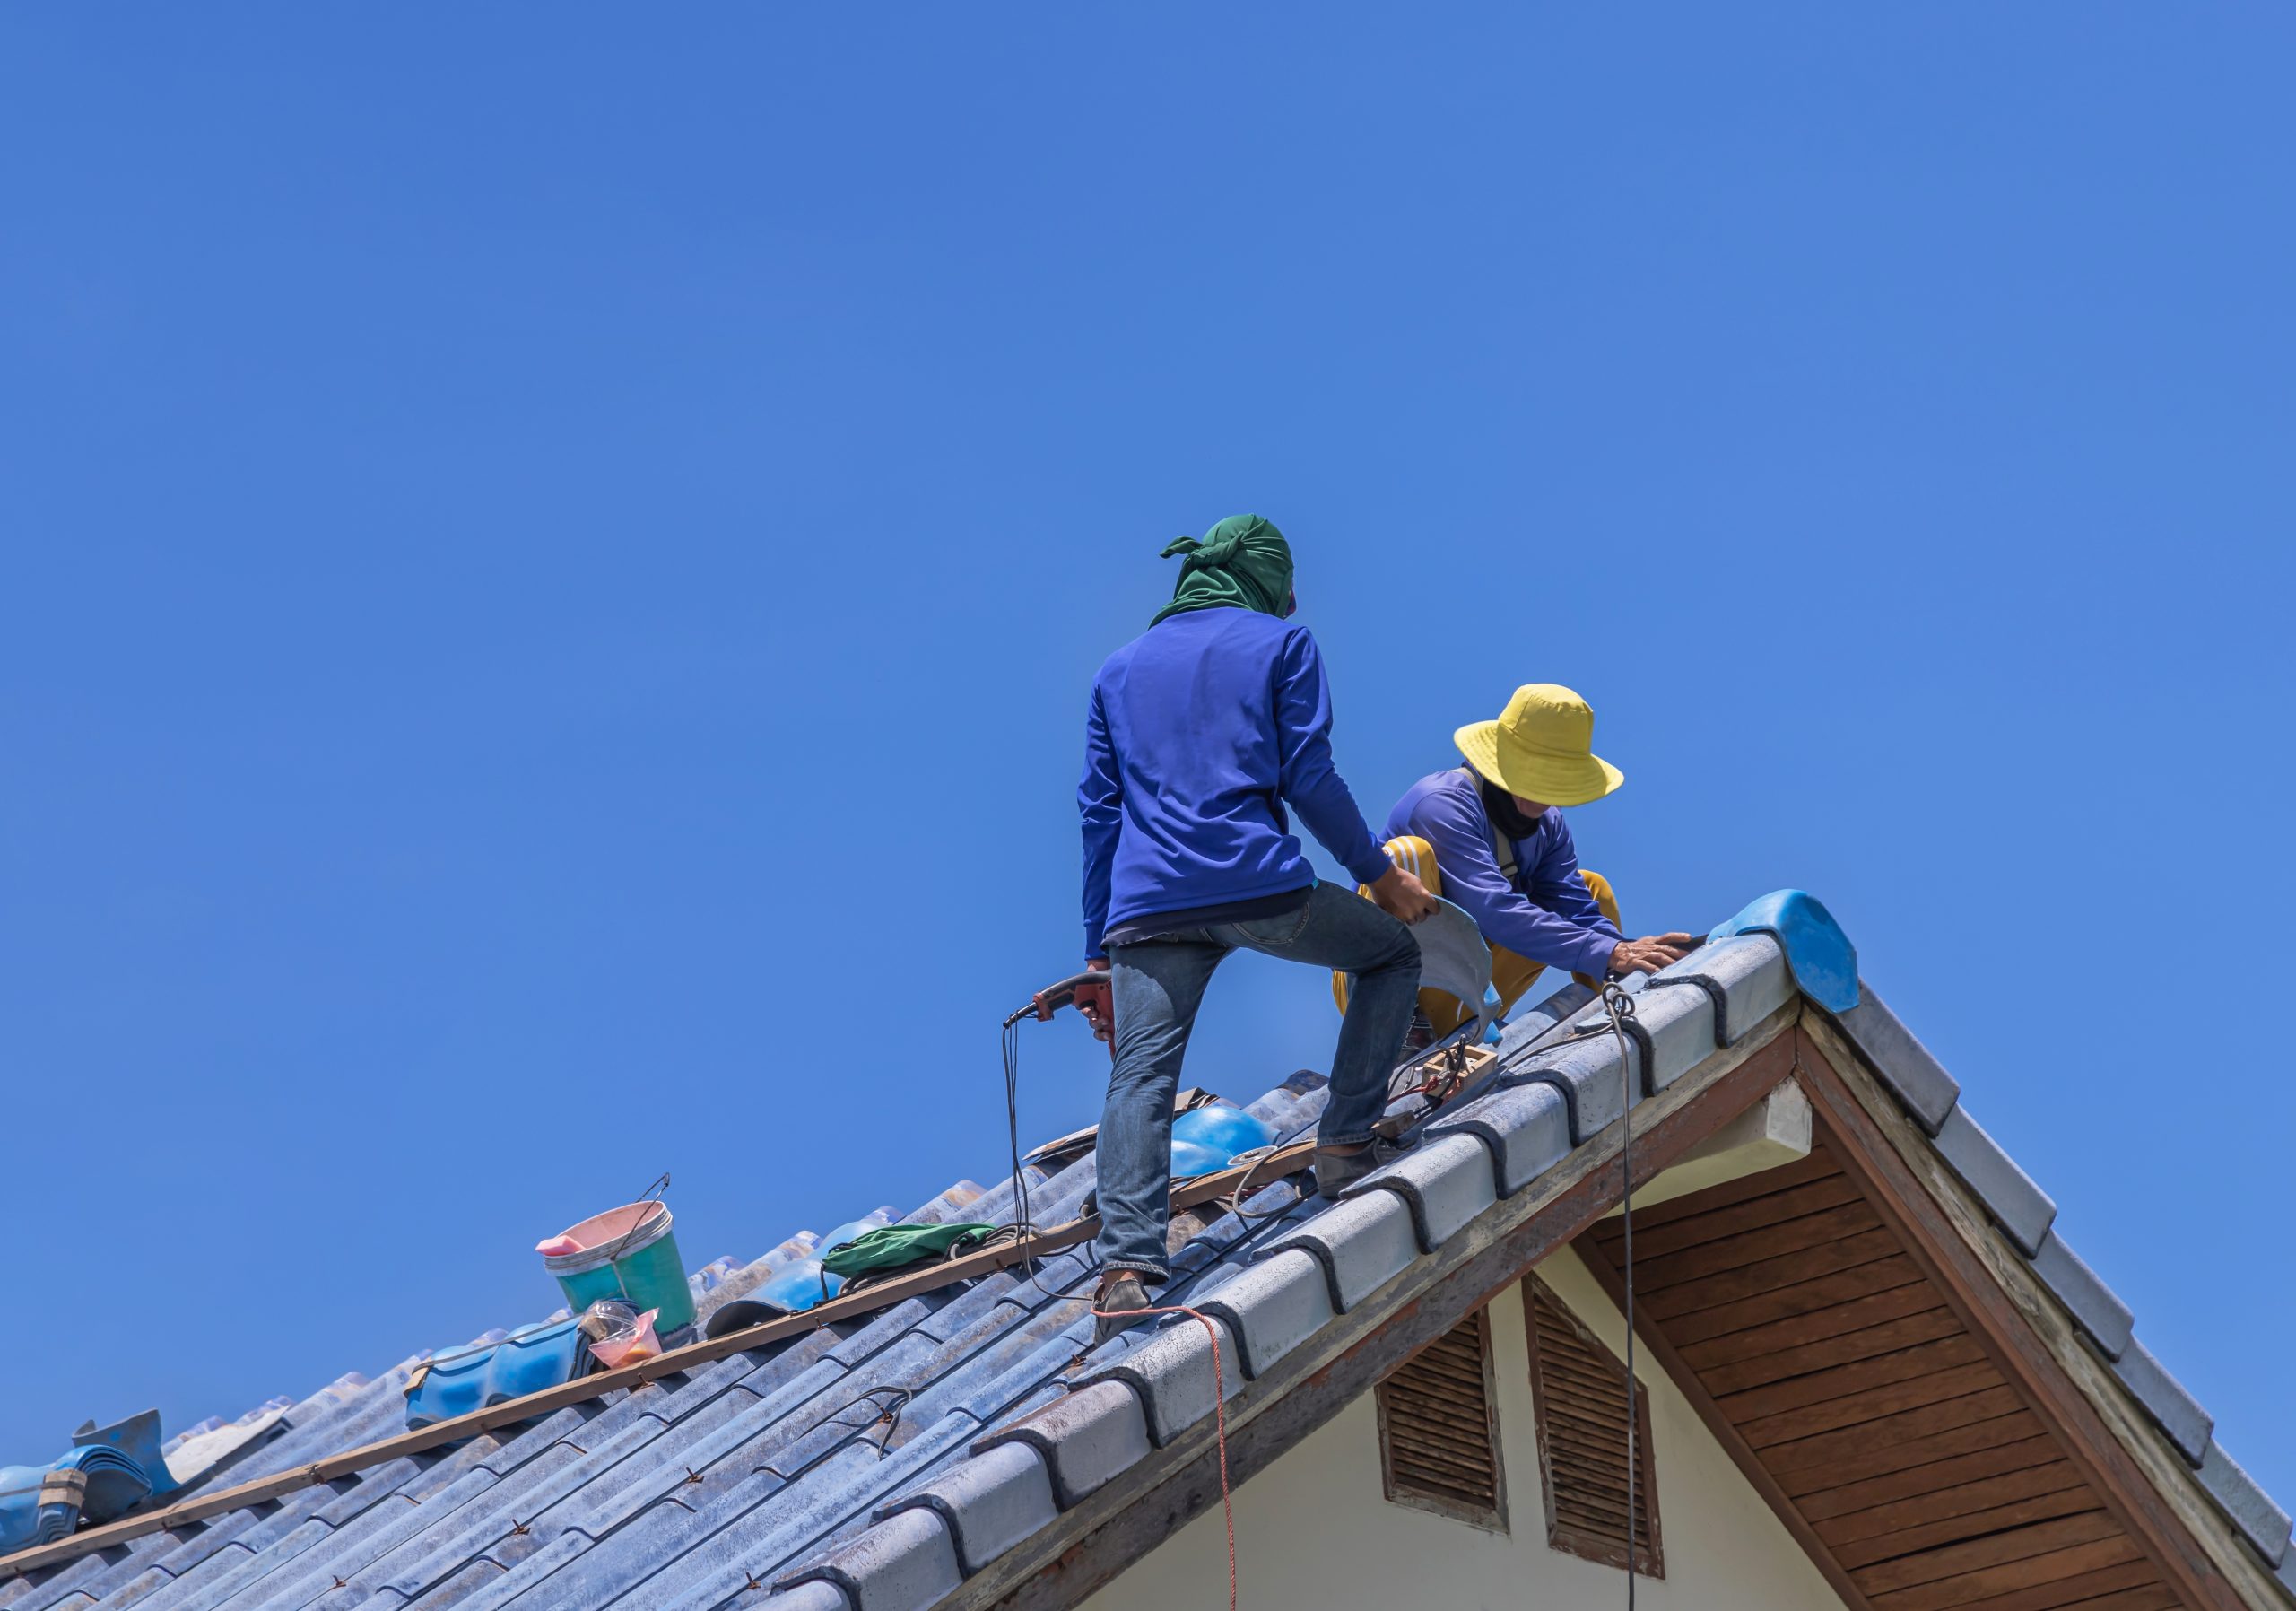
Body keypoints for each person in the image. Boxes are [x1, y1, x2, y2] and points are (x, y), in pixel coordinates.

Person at [1077, 514, 1436, 1339]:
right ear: (1268, 581)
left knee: (1140, 1078)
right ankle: (1344, 1147)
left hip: (1144, 911)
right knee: (1389, 955)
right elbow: (1309, 775)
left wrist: (1097, 954)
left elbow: (1099, 815)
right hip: (1252, 885)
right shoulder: (1283, 645)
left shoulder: (1118, 670)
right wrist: (1381, 877)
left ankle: (1127, 1269)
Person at [1337, 683, 1696, 1038]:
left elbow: (1578, 911)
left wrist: (1626, 955)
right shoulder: (1440, 804)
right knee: (1407, 854)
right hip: (1383, 984)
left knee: (1593, 889)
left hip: (1468, 989)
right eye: (1538, 773)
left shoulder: (1549, 827)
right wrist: (1606, 951)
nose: (1544, 793)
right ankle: (1401, 1028)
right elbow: (1492, 908)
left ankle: (1620, 996)